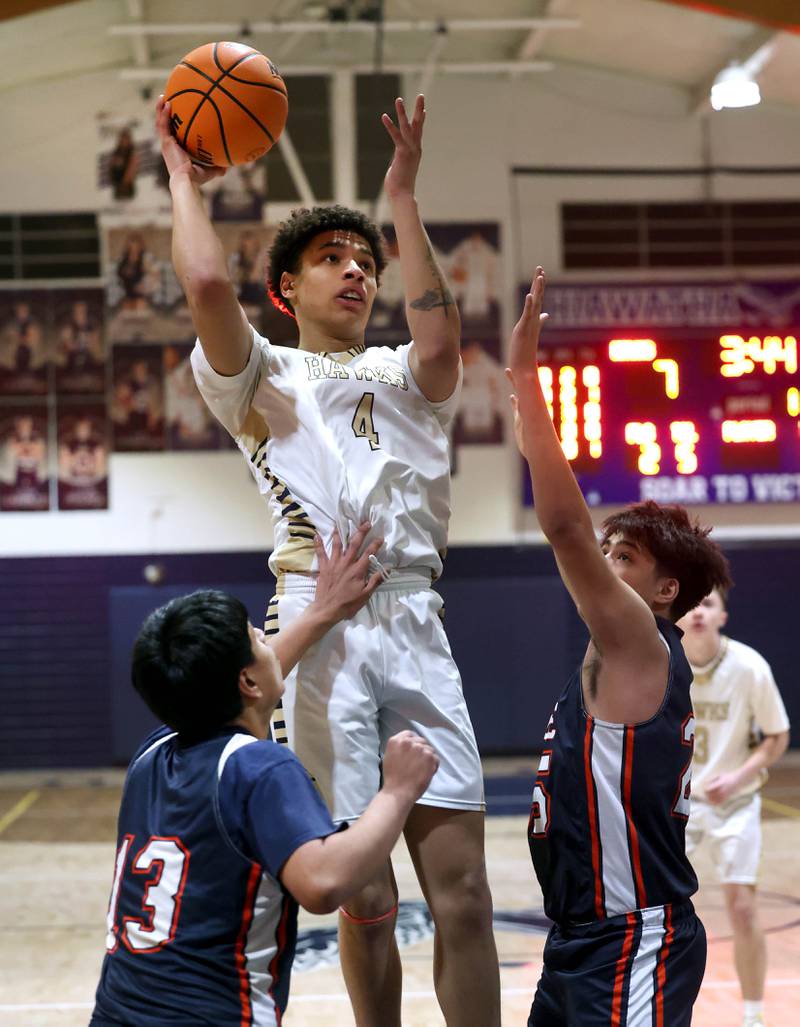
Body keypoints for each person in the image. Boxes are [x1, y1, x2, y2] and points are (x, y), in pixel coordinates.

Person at [156, 91, 499, 1027]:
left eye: (363, 262)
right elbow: (205, 289)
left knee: (464, 894)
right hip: (321, 616)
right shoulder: (262, 376)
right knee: (367, 900)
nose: (354, 272)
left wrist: (402, 195)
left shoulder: (406, 373)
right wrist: (184, 181)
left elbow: (440, 334)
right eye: (329, 260)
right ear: (288, 291)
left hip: (416, 618)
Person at [91, 526, 439, 1027]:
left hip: (115, 1013)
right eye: (257, 636)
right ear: (247, 681)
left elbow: (244, 680)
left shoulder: (152, 753)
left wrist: (322, 611)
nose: (267, 639)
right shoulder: (260, 767)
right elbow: (322, 884)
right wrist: (398, 791)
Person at [507, 268, 733, 1026]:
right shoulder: (609, 661)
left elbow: (565, 527)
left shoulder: (643, 641)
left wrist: (524, 377)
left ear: (666, 590)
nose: (603, 562)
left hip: (634, 938)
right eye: (609, 549)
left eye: (623, 556)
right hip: (581, 939)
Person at [677, 589, 790, 1027]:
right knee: (657, 905)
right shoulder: (664, 661)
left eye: (708, 604)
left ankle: (752, 1015)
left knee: (742, 907)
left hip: (735, 802)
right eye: (692, 605)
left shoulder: (749, 666)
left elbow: (777, 737)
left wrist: (739, 777)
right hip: (680, 806)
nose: (699, 612)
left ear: (723, 614)